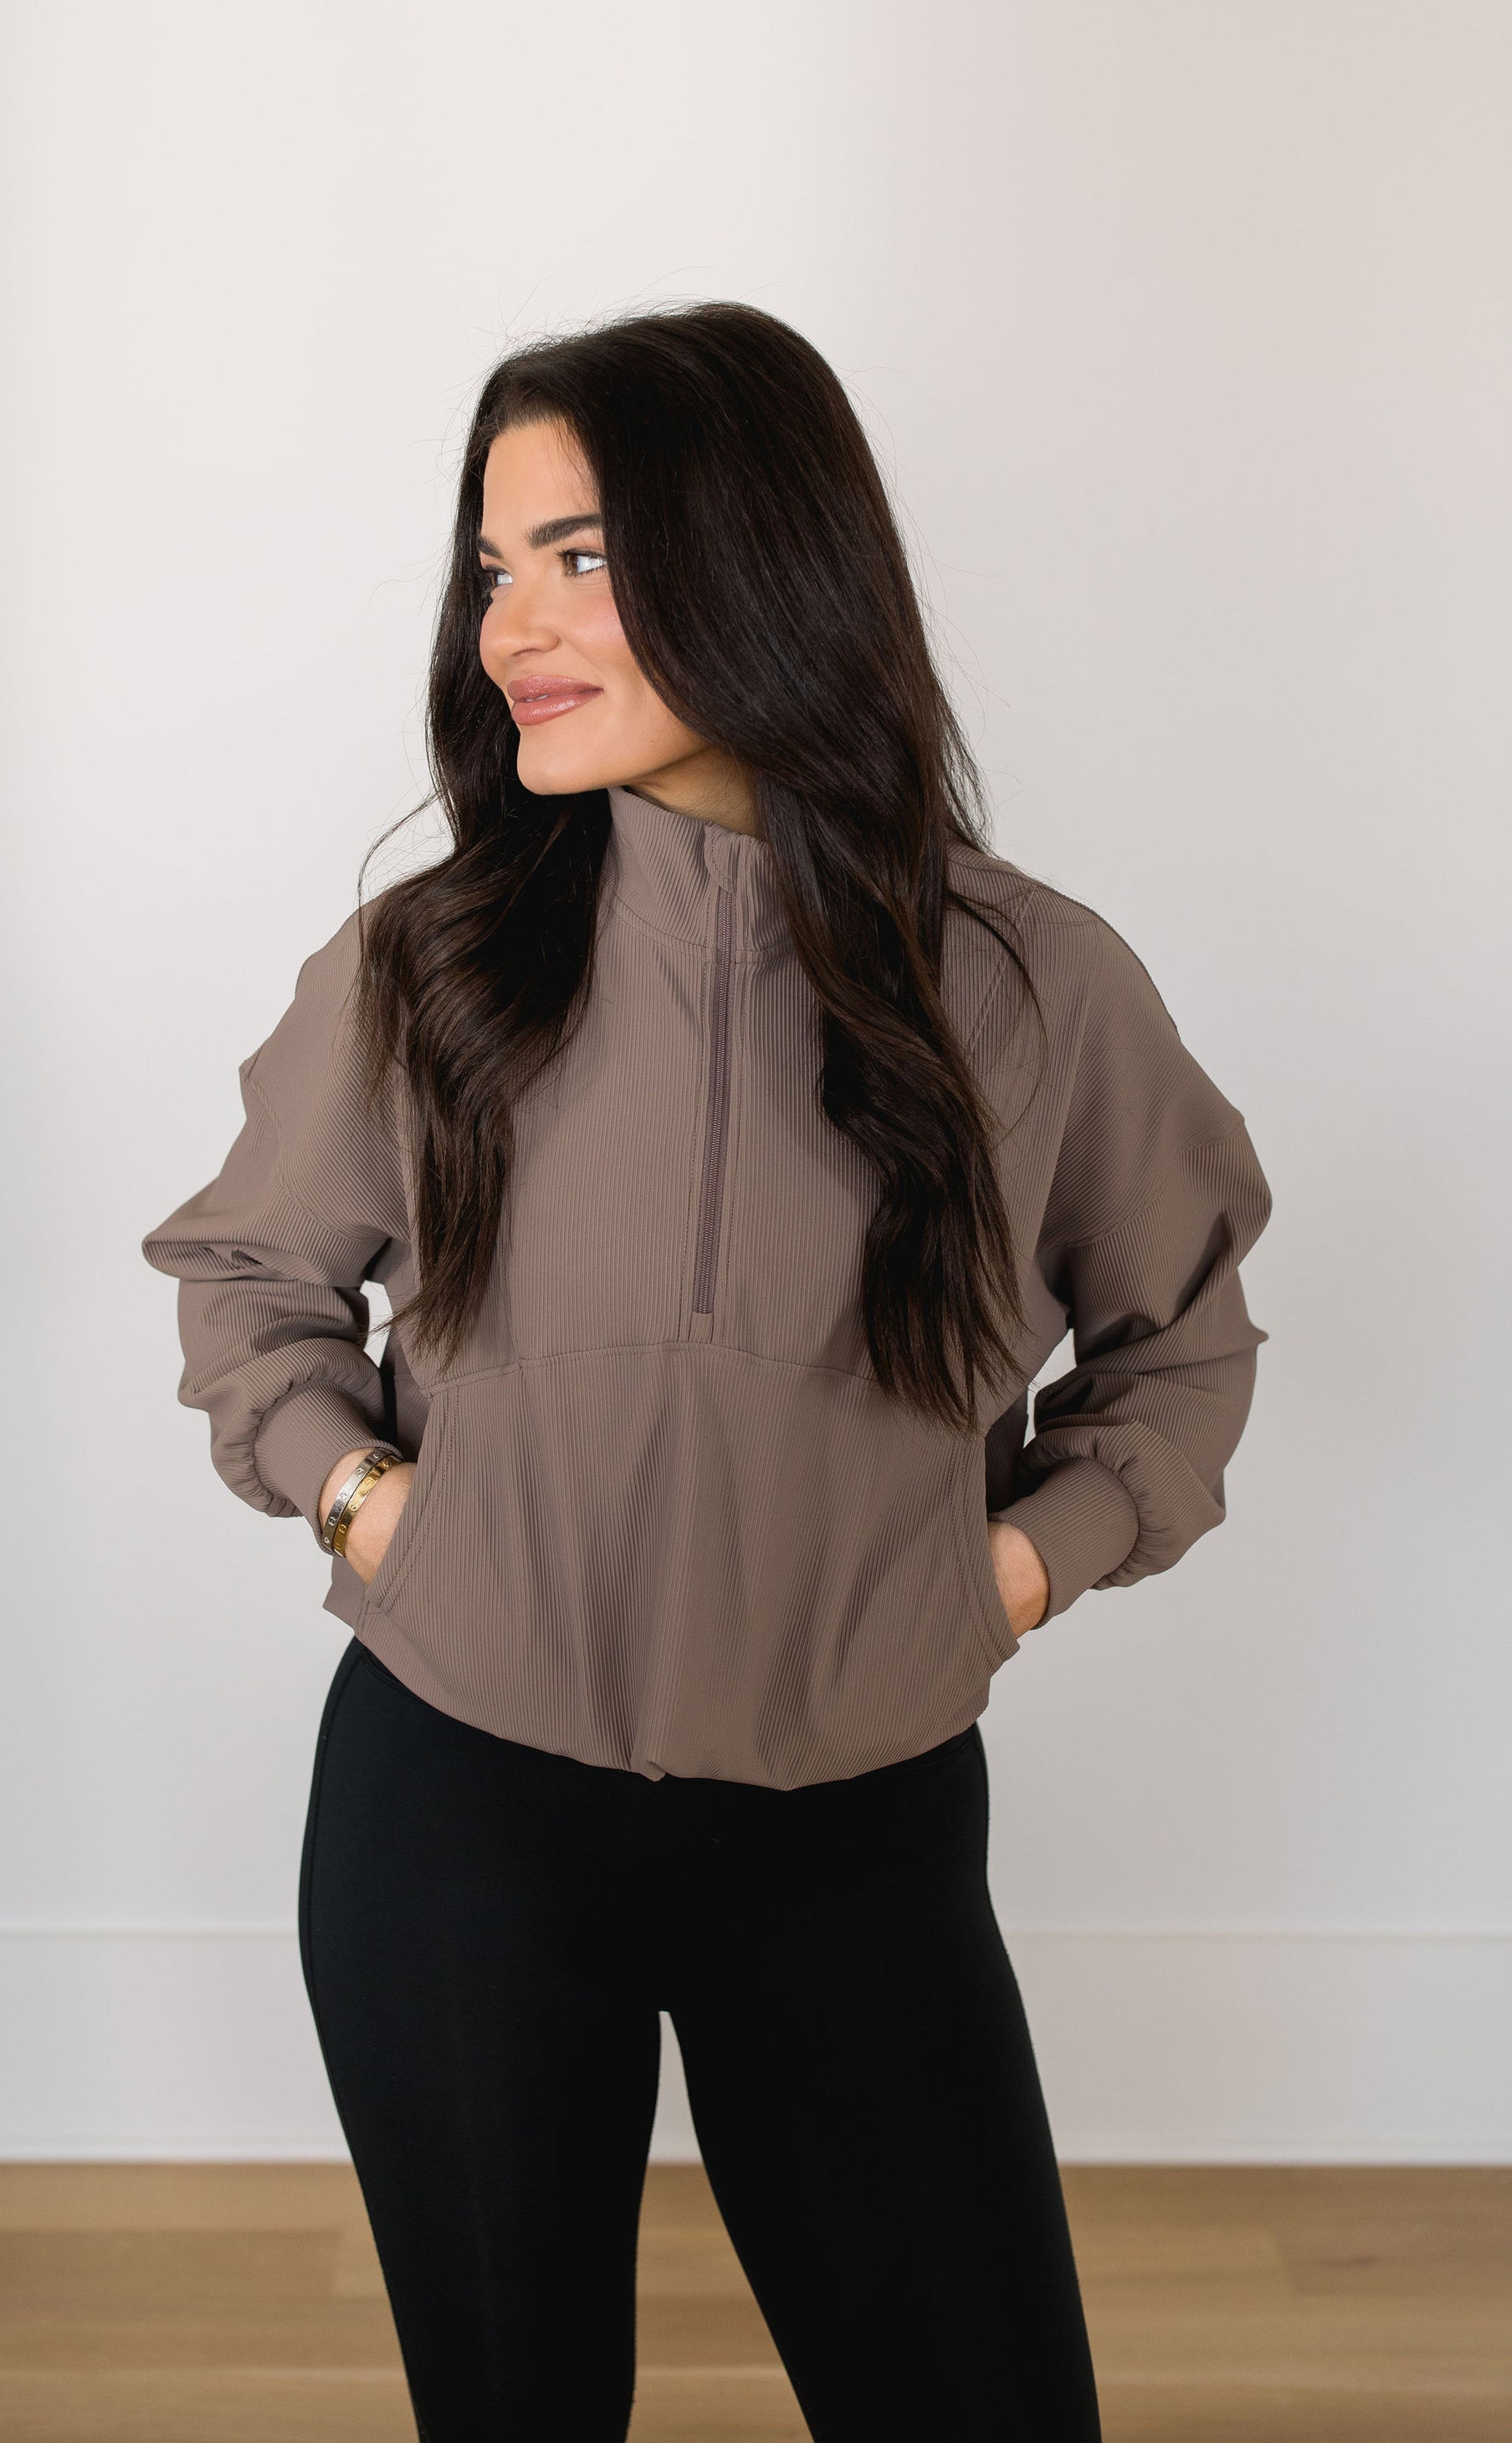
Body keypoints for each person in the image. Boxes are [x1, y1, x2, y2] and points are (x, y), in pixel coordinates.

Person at [141, 299, 1271, 2441]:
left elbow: (1179, 1338)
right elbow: (249, 1280)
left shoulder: (1033, 988)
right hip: (459, 1814)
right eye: (493, 565)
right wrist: (373, 1501)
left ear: (760, 556)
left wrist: (1013, 1568)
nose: (511, 627)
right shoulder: (428, 968)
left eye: (580, 555)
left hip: (853, 1830)